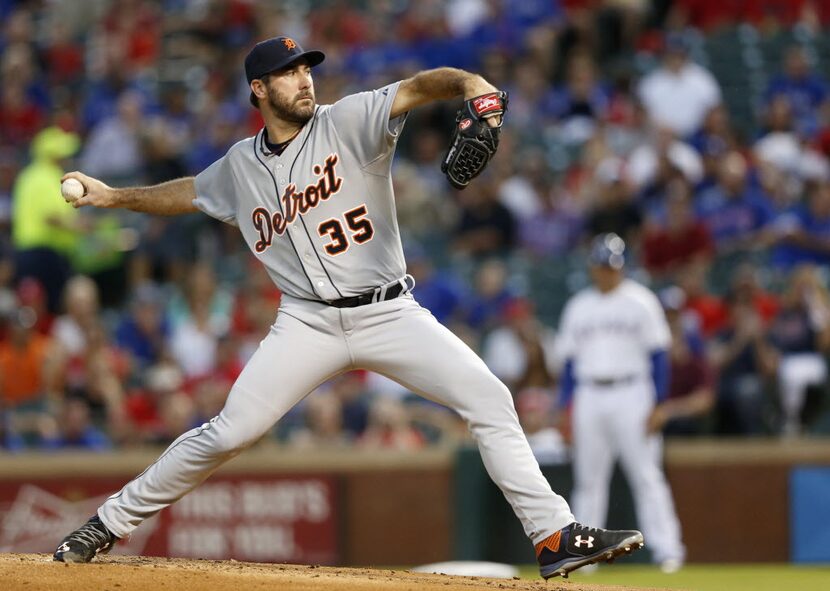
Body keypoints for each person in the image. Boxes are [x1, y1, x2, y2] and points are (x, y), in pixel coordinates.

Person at [52, 36, 643, 578]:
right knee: (229, 433)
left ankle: (553, 537)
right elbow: (188, 192)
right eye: (288, 73)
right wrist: (114, 196)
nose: (305, 79)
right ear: (259, 89)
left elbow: (421, 86)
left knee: (489, 397)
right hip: (305, 322)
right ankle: (105, 525)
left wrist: (473, 87)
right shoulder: (238, 167)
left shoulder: (350, 119)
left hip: (389, 311)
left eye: (307, 68)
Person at [557, 233, 685, 573]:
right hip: (589, 394)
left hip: (633, 393)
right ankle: (586, 556)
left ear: (622, 266)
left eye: (612, 267)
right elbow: (568, 365)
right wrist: (565, 408)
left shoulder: (641, 301)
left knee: (646, 474)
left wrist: (659, 403)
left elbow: (659, 355)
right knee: (588, 481)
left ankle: (667, 549)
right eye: (601, 266)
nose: (607, 273)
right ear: (592, 267)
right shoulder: (578, 306)